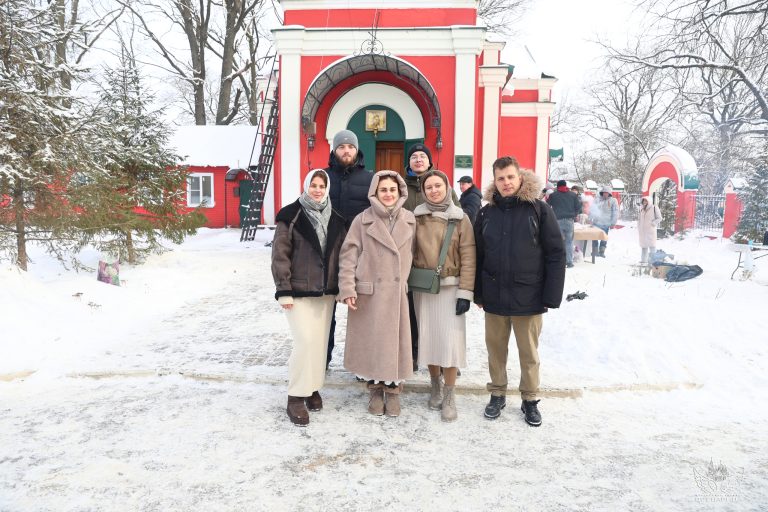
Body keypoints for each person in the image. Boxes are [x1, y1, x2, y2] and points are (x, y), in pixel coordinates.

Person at [474, 156, 565, 426]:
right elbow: (478, 254)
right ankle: (497, 394)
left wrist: (551, 295)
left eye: (510, 177)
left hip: (529, 296)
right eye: (500, 178)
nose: (506, 183)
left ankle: (530, 399)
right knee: (495, 351)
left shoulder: (539, 210)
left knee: (528, 353)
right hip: (494, 295)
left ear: (520, 177)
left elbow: (556, 253)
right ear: (495, 181)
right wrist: (478, 292)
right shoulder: (486, 213)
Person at [271, 169, 347, 426]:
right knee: (304, 342)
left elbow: (342, 255)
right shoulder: (290, 215)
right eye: (313, 185)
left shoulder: (336, 217)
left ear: (327, 189)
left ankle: (312, 387)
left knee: (319, 344)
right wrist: (283, 289)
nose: (317, 189)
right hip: (298, 291)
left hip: (325, 293)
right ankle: (295, 396)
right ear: (306, 186)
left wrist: (341, 287)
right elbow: (280, 254)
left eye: (321, 186)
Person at [338, 170, 416, 417]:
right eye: (383, 190)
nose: (388, 194)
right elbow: (348, 256)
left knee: (395, 345)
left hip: (396, 292)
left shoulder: (410, 219)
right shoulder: (362, 220)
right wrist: (347, 288)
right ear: (374, 192)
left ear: (400, 191)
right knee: (372, 344)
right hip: (369, 292)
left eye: (392, 189)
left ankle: (393, 391)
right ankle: (374, 389)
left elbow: (416, 254)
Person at [412, 170, 475, 422]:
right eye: (429, 187)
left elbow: (469, 255)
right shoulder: (416, 217)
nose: (434, 190)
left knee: (450, 344)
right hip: (424, 288)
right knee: (429, 340)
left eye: (438, 185)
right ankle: (435, 384)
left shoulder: (460, 218)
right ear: (423, 191)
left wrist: (465, 292)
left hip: (451, 288)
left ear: (447, 187)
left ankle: (449, 393)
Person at [401, 143, 459, 370]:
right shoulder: (402, 186)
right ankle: (414, 353)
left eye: (422, 156)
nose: (418, 159)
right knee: (412, 311)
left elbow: (457, 217)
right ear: (409, 162)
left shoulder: (442, 185)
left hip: (440, 259)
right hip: (412, 257)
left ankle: (444, 359)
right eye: (414, 156)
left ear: (429, 161)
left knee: (441, 314)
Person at [324, 129, 374, 369]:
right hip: (327, 253)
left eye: (350, 147)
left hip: (360, 254)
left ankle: (362, 364)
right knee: (326, 313)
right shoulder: (323, 177)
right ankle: (322, 359)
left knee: (362, 311)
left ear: (357, 150)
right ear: (334, 150)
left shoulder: (370, 179)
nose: (346, 151)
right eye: (342, 147)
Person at [547, 179, 582, 268]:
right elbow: (578, 207)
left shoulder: (553, 195)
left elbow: (547, 206)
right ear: (566, 186)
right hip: (569, 221)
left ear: (558, 186)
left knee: (558, 241)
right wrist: (574, 214)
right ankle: (569, 262)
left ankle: (559, 261)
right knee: (569, 242)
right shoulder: (573, 195)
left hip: (557, 221)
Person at [588, 186, 619, 258]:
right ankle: (595, 251)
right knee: (594, 237)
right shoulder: (597, 200)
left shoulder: (613, 201)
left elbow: (615, 212)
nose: (605, 194)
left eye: (607, 193)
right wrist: (590, 219)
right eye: (604, 193)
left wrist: (613, 223)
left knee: (604, 238)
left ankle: (602, 252)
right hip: (596, 222)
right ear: (602, 193)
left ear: (609, 193)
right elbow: (592, 209)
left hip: (606, 223)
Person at [638, 196, 662, 264]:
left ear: (649, 201)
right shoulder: (642, 209)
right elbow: (639, 219)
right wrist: (639, 226)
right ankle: (643, 261)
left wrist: (653, 223)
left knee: (652, 246)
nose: (644, 202)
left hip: (650, 231)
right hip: (643, 231)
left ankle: (652, 261)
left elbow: (659, 218)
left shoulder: (654, 208)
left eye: (646, 200)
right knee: (644, 246)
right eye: (643, 201)